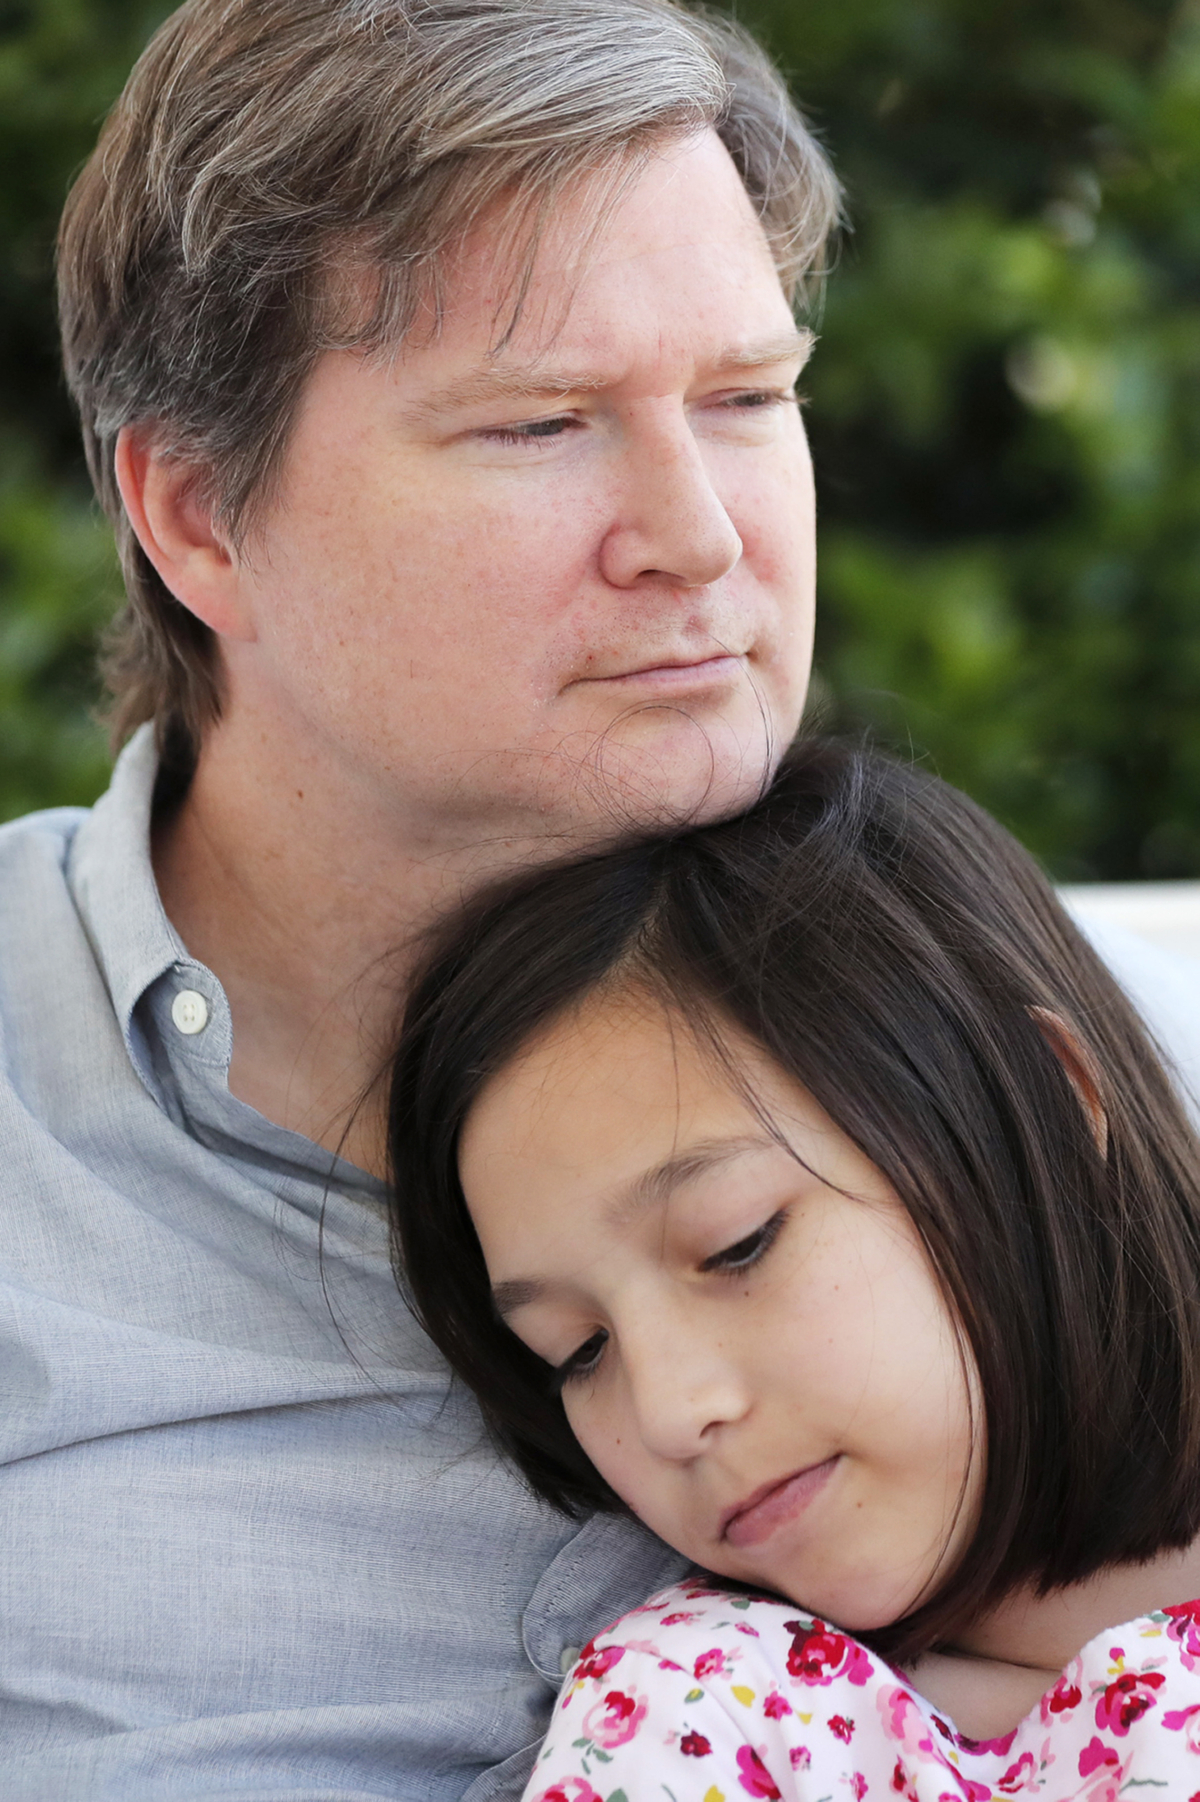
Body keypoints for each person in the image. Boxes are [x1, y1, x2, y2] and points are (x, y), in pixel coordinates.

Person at [2, 0, 841, 1794]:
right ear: (201, 515)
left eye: (748, 397)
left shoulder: (1064, 1077)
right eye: (542, 423)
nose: (696, 534)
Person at [388, 738, 1200, 1800]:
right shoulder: (715, 1719)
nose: (671, 1412)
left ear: (1043, 1104)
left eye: (737, 1243)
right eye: (577, 1350)